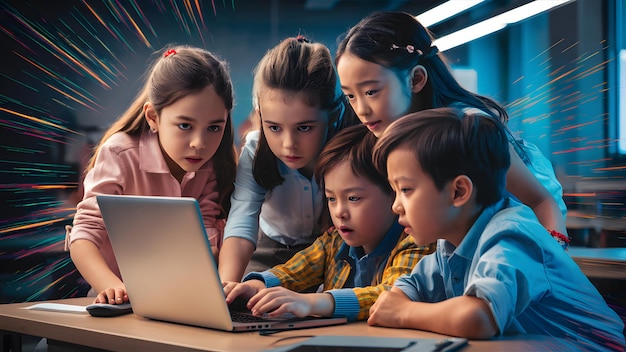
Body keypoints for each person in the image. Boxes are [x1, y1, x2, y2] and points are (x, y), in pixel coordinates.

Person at [368, 108, 625, 351]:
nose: (396, 206)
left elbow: (479, 317)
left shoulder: (512, 235)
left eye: (405, 190)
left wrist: (403, 312)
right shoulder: (451, 245)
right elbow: (411, 286)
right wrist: (398, 301)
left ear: (458, 191)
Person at [335, 11, 569, 249]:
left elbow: (541, 200)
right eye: (350, 96)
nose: (361, 109)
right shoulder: (398, 135)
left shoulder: (467, 129)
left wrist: (552, 257)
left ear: (416, 80)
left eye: (371, 91)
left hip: (519, 253)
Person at [66, 46, 237, 304]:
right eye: (185, 126)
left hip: (178, 298)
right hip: (115, 298)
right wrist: (114, 288)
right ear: (153, 117)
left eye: (214, 127)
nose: (199, 143)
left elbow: (206, 237)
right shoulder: (120, 153)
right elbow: (83, 236)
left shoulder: (211, 164)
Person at [224, 124, 435, 321]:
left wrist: (316, 302)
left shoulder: (415, 242)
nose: (340, 212)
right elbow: (292, 272)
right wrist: (256, 285)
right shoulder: (333, 243)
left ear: (393, 194)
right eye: (331, 199)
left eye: (353, 198)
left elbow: (393, 295)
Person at [218, 35, 359, 283]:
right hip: (269, 248)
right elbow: (241, 221)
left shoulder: (354, 149)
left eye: (304, 128)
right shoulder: (255, 149)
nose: (288, 144)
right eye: (274, 128)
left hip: (332, 249)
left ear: (334, 115)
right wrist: (225, 289)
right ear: (260, 117)